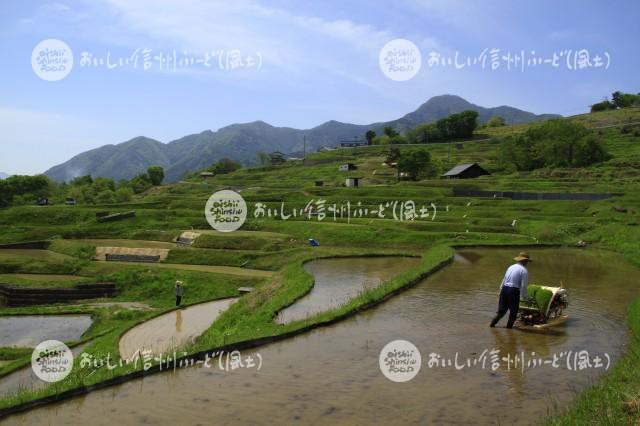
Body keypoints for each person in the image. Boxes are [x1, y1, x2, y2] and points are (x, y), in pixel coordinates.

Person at [489, 252, 532, 329]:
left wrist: (500, 290)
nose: (527, 263)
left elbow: (504, 279)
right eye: (527, 261)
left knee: (501, 311)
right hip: (513, 291)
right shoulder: (524, 270)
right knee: (513, 312)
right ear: (524, 261)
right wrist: (525, 298)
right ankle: (509, 329)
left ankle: (491, 325)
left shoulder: (511, 267)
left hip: (505, 289)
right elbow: (523, 286)